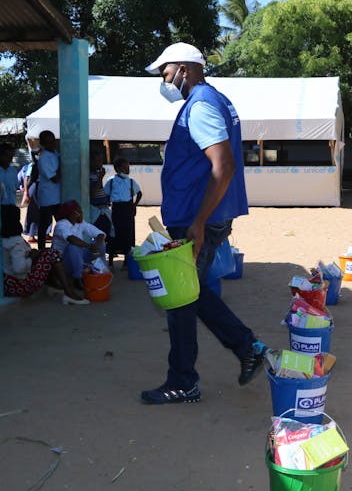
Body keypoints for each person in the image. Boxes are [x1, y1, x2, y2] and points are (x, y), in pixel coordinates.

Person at [142, 42, 268, 404]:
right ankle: (247, 347)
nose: (164, 81)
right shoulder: (212, 101)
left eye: (165, 73)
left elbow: (223, 166)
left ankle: (185, 380)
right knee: (190, 292)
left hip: (197, 219)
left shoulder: (200, 105)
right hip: (199, 215)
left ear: (184, 68)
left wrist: (197, 222)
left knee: (181, 300)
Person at [0, 206, 88, 305]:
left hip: (11, 283)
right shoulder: (15, 242)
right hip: (20, 284)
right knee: (52, 254)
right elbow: (19, 268)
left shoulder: (5, 239)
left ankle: (54, 286)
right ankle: (69, 293)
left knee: (46, 253)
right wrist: (32, 257)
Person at [52, 200, 107, 290]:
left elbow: (100, 234)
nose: (81, 212)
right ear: (71, 214)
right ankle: (78, 278)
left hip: (78, 258)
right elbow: (71, 239)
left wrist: (96, 245)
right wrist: (89, 246)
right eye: (78, 210)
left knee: (101, 244)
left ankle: (102, 271)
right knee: (73, 247)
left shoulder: (80, 223)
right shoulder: (61, 225)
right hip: (64, 261)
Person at [104, 157, 142, 267]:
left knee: (128, 234)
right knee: (114, 233)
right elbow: (106, 194)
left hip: (128, 209)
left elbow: (139, 193)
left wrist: (134, 205)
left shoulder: (131, 181)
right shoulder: (111, 181)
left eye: (128, 166)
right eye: (125, 167)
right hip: (116, 209)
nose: (128, 169)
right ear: (118, 168)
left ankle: (126, 261)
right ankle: (110, 260)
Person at [35, 131, 61, 251]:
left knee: (60, 223)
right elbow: (54, 178)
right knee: (45, 223)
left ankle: (55, 247)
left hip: (57, 195)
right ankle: (41, 249)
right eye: (49, 142)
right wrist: (63, 165)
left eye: (53, 140)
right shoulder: (44, 158)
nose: (52, 143)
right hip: (47, 196)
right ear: (43, 143)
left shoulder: (55, 153)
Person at [89, 150, 113, 238]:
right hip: (96, 210)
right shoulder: (89, 175)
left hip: (103, 208)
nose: (101, 163)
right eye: (98, 161)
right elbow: (92, 193)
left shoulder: (96, 173)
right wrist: (100, 178)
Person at [0, 142, 20, 226]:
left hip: (12, 205)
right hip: (0, 207)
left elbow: (15, 187)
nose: (10, 159)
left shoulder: (13, 171)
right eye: (7, 156)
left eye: (11, 156)